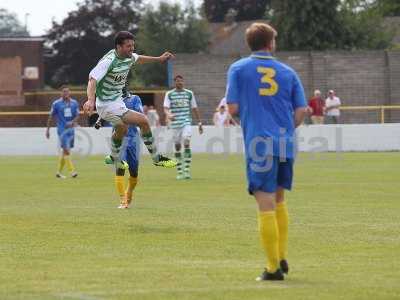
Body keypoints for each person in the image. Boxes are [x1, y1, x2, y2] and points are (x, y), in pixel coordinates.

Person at [226, 23, 307, 281]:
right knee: (280, 200)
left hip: (259, 143)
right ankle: (281, 256)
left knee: (265, 203)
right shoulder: (288, 71)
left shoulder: (238, 69)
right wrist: (284, 129)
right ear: (270, 43)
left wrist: (249, 122)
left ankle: (272, 268)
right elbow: (302, 111)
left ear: (250, 44)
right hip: (285, 142)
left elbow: (232, 107)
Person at [83, 31, 176, 170]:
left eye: (133, 45)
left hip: (117, 101)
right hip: (104, 104)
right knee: (139, 122)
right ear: (118, 47)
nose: (132, 48)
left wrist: (159, 59)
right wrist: (90, 100)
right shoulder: (108, 61)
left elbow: (139, 58)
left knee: (124, 128)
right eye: (128, 46)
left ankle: (114, 157)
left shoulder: (129, 57)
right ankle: (155, 158)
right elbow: (92, 80)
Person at [163, 75, 203, 180]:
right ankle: (179, 170)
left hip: (186, 121)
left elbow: (194, 108)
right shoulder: (169, 94)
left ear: (183, 82)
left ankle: (187, 170)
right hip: (175, 124)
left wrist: (199, 123)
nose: (179, 83)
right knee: (177, 146)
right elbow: (166, 108)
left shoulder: (189, 93)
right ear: (174, 82)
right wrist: (169, 115)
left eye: (181, 81)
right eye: (177, 81)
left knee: (186, 140)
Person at [115, 88, 143, 209]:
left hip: (133, 139)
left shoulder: (135, 99)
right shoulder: (112, 100)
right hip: (119, 138)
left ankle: (129, 191)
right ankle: (123, 200)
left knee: (134, 172)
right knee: (120, 167)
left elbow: (140, 116)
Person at [46, 86, 79, 179]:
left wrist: (73, 122)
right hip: (61, 130)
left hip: (71, 130)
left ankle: (58, 172)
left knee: (65, 152)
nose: (66, 93)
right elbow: (50, 117)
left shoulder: (74, 103)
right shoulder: (56, 104)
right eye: (64, 92)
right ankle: (72, 171)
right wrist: (47, 130)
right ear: (61, 93)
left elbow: (77, 115)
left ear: (69, 93)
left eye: (67, 92)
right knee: (66, 150)